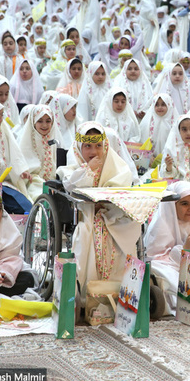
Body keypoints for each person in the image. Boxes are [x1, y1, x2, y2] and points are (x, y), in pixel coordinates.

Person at [58, 122, 135, 300]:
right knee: (86, 233)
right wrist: (88, 170)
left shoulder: (114, 162)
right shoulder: (73, 165)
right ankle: (89, 292)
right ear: (79, 147)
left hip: (111, 213)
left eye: (98, 146)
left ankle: (123, 288)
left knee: (130, 224)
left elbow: (124, 179)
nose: (94, 151)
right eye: (88, 146)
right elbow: (70, 184)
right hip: (86, 215)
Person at [144, 181, 190, 315]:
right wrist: (183, 251)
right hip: (171, 266)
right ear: (173, 205)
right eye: (184, 204)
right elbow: (155, 256)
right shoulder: (161, 222)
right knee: (160, 271)